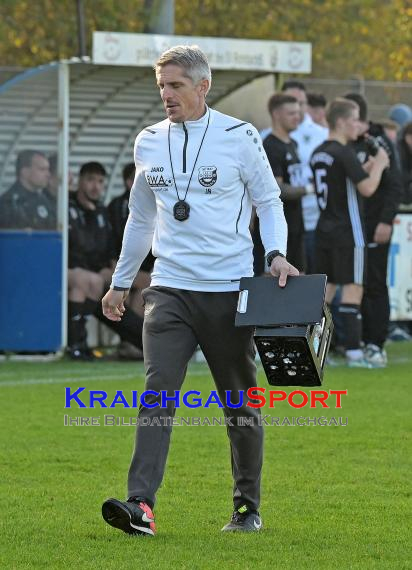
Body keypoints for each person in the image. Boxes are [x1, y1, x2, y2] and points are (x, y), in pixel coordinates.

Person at [100, 44, 297, 536]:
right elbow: (140, 217)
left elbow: (269, 201)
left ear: (202, 87)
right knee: (156, 393)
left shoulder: (239, 135)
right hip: (169, 289)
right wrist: (121, 282)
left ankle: (247, 508)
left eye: (176, 86)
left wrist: (274, 253)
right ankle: (140, 507)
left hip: (230, 290)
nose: (166, 95)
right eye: (162, 86)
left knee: (240, 404)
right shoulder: (147, 141)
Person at [310, 98, 389, 367]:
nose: (359, 125)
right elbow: (366, 188)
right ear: (342, 122)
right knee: (353, 289)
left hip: (325, 230)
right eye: (355, 119)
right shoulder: (344, 152)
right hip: (349, 231)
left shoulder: (320, 152)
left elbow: (344, 179)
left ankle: (316, 351)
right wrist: (379, 164)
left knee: (327, 293)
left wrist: (366, 167)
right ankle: (354, 353)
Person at [343, 93, 402, 367]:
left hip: (374, 224)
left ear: (361, 118)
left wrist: (386, 221)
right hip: (350, 227)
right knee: (354, 283)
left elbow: (394, 185)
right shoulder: (343, 143)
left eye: (352, 117)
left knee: (375, 283)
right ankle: (352, 342)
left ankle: (376, 343)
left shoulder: (380, 144)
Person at [67, 161, 144, 360]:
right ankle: (77, 344)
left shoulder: (101, 212)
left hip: (101, 276)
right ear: (79, 181)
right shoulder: (68, 208)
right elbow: (73, 248)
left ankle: (144, 345)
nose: (96, 186)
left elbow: (111, 248)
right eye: (90, 180)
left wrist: (112, 269)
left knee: (138, 288)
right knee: (94, 284)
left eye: (101, 181)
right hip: (80, 274)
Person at [261, 93, 312, 272]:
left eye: (298, 113)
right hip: (278, 224)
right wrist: (308, 189)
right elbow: (277, 189)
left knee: (299, 274)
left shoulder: (293, 143)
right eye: (291, 113)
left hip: (297, 221)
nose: (297, 117)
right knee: (275, 277)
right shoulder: (269, 146)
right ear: (276, 114)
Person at [281, 81, 328, 273]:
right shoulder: (267, 137)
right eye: (291, 102)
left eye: (300, 103)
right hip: (282, 222)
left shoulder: (323, 134)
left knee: (314, 279)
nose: (297, 109)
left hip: (315, 221)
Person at [107, 163, 155, 320]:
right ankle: (134, 337)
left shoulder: (151, 202)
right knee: (149, 283)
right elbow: (125, 239)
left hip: (141, 266)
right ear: (130, 182)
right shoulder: (120, 206)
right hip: (117, 265)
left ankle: (135, 337)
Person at [0, 149, 56, 230]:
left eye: (48, 169)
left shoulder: (44, 200)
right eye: (42, 169)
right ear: (25, 172)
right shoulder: (8, 203)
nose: (48, 174)